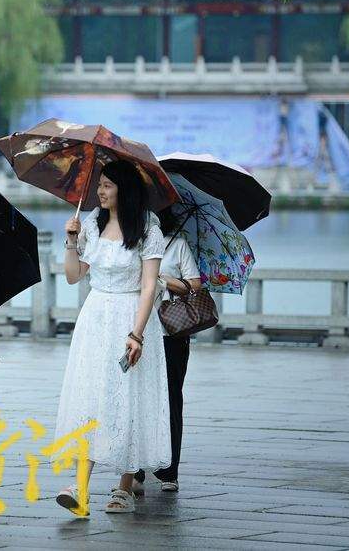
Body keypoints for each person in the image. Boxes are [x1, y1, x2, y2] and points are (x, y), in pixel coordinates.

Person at [54, 159, 171, 516]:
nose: (100, 192)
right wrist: (71, 241)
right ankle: (80, 487)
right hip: (95, 316)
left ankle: (124, 484)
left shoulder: (148, 227)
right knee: (90, 395)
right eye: (100, 185)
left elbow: (149, 285)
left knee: (128, 397)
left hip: (130, 315)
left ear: (125, 189)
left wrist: (136, 333)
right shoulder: (92, 222)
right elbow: (74, 276)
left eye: (107, 185)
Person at [132, 206, 202, 495]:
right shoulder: (132, 242)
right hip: (138, 331)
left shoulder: (178, 245)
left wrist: (163, 279)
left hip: (171, 333)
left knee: (172, 398)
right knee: (136, 398)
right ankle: (134, 469)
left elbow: (195, 285)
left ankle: (169, 470)